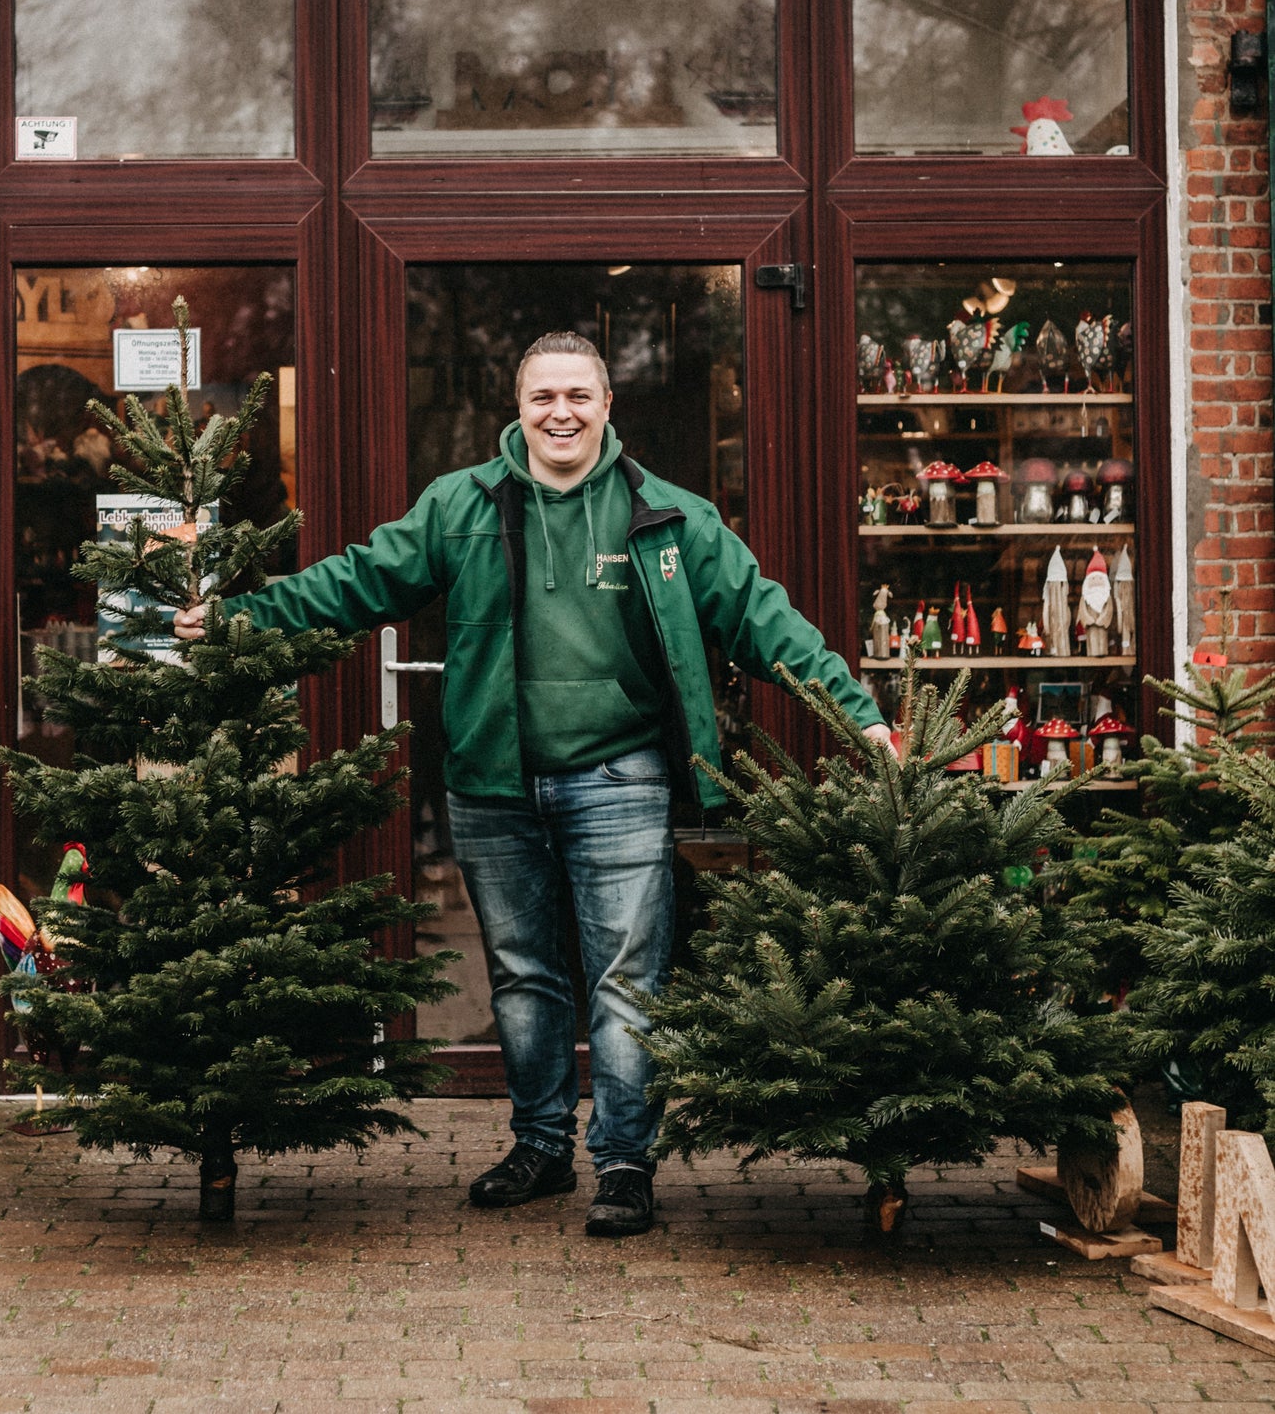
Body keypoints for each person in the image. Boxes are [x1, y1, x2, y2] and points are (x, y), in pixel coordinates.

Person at [174, 331, 891, 1236]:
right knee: (522, 975)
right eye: (543, 396)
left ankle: (625, 1162)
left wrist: (854, 711)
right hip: (492, 780)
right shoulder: (459, 507)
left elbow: (762, 615)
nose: (561, 412)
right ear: (517, 407)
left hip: (620, 778)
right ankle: (541, 1145)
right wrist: (243, 616)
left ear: (606, 407)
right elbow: (358, 581)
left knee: (629, 981)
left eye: (578, 397)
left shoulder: (666, 517)